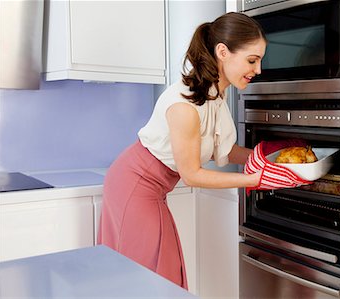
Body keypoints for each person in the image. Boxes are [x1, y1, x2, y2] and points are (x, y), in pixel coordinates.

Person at [98, 12, 266, 289]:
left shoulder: (213, 95)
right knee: (149, 277)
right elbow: (192, 175)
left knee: (161, 273)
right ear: (223, 52)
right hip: (134, 185)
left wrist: (269, 162)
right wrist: (255, 180)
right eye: (252, 60)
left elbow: (224, 149)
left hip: (152, 187)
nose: (258, 70)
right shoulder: (185, 105)